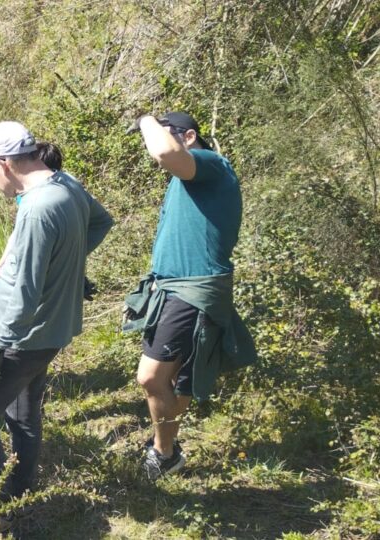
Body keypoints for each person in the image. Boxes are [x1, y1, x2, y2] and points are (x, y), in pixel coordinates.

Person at [0, 121, 114, 516]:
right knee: (22, 413)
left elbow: (25, 293)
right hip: (52, 329)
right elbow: (101, 221)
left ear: (2, 163)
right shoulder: (66, 185)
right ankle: (22, 490)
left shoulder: (38, 210)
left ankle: (2, 508)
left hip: (23, 338)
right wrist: (67, 263)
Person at [125, 111, 256, 481]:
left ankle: (164, 454)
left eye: (165, 134)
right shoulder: (189, 180)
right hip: (174, 289)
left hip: (191, 290)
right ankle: (165, 450)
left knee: (150, 377)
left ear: (190, 136)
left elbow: (166, 153)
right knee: (177, 377)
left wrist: (146, 119)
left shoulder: (212, 164)